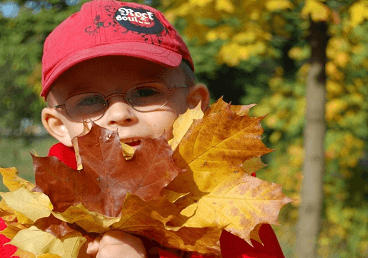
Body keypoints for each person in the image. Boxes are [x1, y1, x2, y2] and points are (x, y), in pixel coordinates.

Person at [39, 0, 285, 257]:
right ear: (59, 126)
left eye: (146, 92)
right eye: (88, 101)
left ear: (193, 107)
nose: (120, 114)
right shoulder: (36, 220)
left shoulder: (229, 205)